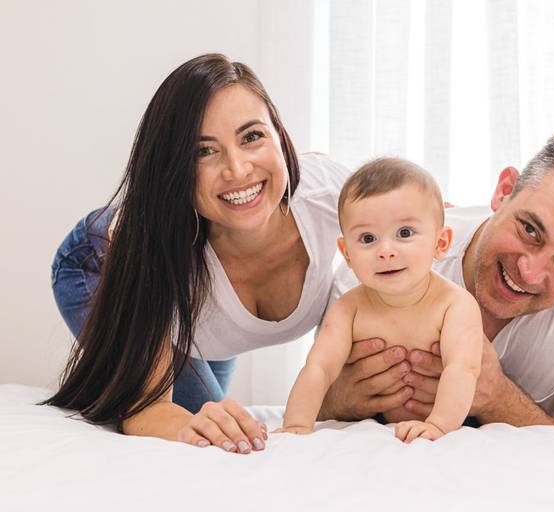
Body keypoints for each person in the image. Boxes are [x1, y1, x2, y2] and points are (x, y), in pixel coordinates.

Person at [44, 54, 352, 454]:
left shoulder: (330, 195)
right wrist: (172, 418)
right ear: (176, 168)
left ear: (280, 134)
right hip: (98, 260)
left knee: (215, 411)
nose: (238, 169)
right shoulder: (147, 245)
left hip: (203, 310)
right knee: (209, 420)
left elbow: (439, 229)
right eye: (203, 152)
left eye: (252, 136)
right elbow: (150, 411)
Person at [323, 126, 554, 434]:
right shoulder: (381, 264)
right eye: (530, 230)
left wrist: (498, 400)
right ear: (504, 191)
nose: (529, 272)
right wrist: (339, 401)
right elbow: (320, 402)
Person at [278, 158, 483, 442]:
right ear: (347, 253)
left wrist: (438, 425)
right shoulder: (348, 309)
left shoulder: (454, 305)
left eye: (405, 233)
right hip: (375, 419)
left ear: (441, 243)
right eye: (367, 238)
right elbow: (319, 368)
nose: (385, 251)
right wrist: (296, 426)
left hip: (452, 417)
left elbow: (463, 368)